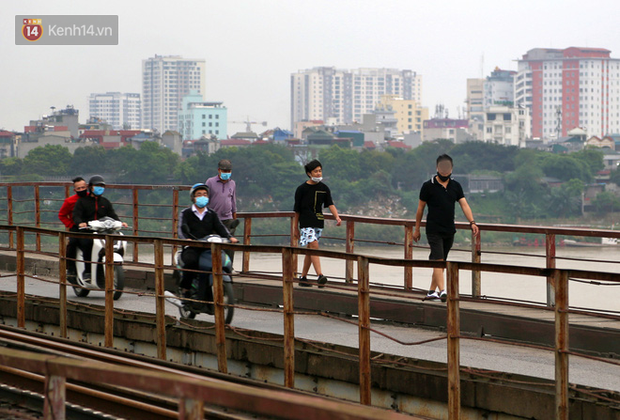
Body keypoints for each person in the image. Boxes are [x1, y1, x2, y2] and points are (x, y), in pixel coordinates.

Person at [413, 154, 479, 302]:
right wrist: (416, 229)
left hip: (449, 230)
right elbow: (420, 209)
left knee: (441, 262)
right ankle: (443, 291)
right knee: (438, 260)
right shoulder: (428, 186)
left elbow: (464, 204)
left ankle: (431, 291)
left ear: (451, 169)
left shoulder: (456, 186)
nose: (444, 171)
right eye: (441, 168)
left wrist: (472, 222)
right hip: (433, 229)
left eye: (447, 168)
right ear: (437, 168)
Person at [178, 183, 238, 297]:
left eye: (205, 194)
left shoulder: (211, 214)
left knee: (224, 261)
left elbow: (220, 227)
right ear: (193, 197)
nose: (202, 197)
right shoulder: (186, 213)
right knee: (191, 262)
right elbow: (181, 230)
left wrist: (230, 237)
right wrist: (187, 240)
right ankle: (186, 288)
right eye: (199, 194)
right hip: (193, 247)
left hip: (209, 246)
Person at [294, 159, 341, 288]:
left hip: (318, 222)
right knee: (314, 246)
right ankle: (320, 275)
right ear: (309, 173)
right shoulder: (301, 189)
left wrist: (336, 217)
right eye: (316, 171)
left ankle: (303, 278)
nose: (319, 173)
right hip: (305, 222)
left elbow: (330, 204)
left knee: (311, 250)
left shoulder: (324, 188)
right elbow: (297, 211)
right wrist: (295, 228)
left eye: (320, 171)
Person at [72, 175, 128, 281]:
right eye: (97, 185)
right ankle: (88, 271)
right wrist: (80, 223)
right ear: (91, 187)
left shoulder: (105, 202)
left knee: (117, 242)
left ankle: (117, 266)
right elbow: (76, 215)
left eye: (102, 186)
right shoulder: (82, 202)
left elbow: (112, 215)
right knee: (87, 245)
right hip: (88, 231)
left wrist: (120, 222)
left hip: (103, 231)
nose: (99, 188)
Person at [205, 159, 238, 265]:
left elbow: (233, 202)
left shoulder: (232, 183)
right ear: (219, 170)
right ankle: (214, 266)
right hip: (214, 220)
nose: (226, 173)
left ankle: (228, 267)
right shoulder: (210, 182)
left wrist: (234, 218)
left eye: (228, 171)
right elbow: (205, 199)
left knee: (229, 245)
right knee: (214, 244)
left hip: (228, 219)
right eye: (224, 171)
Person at [58, 177, 88, 278]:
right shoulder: (69, 201)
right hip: (75, 227)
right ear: (74, 190)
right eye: (78, 188)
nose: (81, 190)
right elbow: (62, 215)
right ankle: (70, 268)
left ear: (87, 187)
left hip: (91, 226)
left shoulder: (92, 198)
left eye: (83, 187)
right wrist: (70, 225)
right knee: (73, 243)